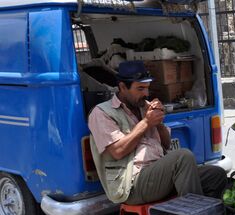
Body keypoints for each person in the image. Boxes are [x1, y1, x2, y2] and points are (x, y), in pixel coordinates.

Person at [88, 60, 227, 205]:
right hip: (131, 183)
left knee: (216, 175)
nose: (146, 94)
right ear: (123, 87)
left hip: (158, 173)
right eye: (140, 89)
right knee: (182, 157)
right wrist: (146, 123)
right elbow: (118, 151)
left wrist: (158, 122)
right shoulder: (102, 113)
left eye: (147, 88)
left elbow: (166, 145)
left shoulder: (144, 107)